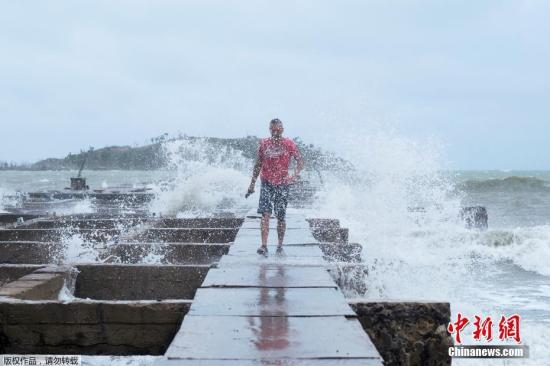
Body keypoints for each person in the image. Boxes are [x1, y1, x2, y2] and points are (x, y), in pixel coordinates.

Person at [247, 118, 304, 256]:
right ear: (269, 130)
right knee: (265, 214)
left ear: (282, 129)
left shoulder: (289, 144)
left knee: (280, 216)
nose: (275, 132)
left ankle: (279, 245)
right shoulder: (264, 144)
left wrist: (294, 175)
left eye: (278, 129)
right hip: (266, 182)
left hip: (282, 184)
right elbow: (258, 165)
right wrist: (252, 184)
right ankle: (264, 245)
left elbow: (300, 162)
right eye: (273, 130)